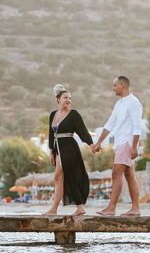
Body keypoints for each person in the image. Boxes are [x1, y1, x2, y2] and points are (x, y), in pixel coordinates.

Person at [91, 76, 143, 216]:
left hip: (127, 142)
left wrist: (134, 147)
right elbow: (109, 125)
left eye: (115, 85)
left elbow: (137, 127)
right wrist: (98, 142)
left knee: (116, 173)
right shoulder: (119, 104)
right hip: (120, 143)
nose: (113, 88)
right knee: (129, 175)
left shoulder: (133, 102)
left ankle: (111, 208)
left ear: (122, 85)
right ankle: (135, 208)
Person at [44, 84, 94, 217]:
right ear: (58, 99)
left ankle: (70, 207)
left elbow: (82, 131)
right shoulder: (53, 115)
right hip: (58, 149)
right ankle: (61, 208)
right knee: (58, 177)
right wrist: (51, 152)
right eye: (65, 97)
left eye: (70, 98)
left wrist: (91, 144)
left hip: (70, 148)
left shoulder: (74, 115)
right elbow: (51, 134)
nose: (68, 100)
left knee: (66, 177)